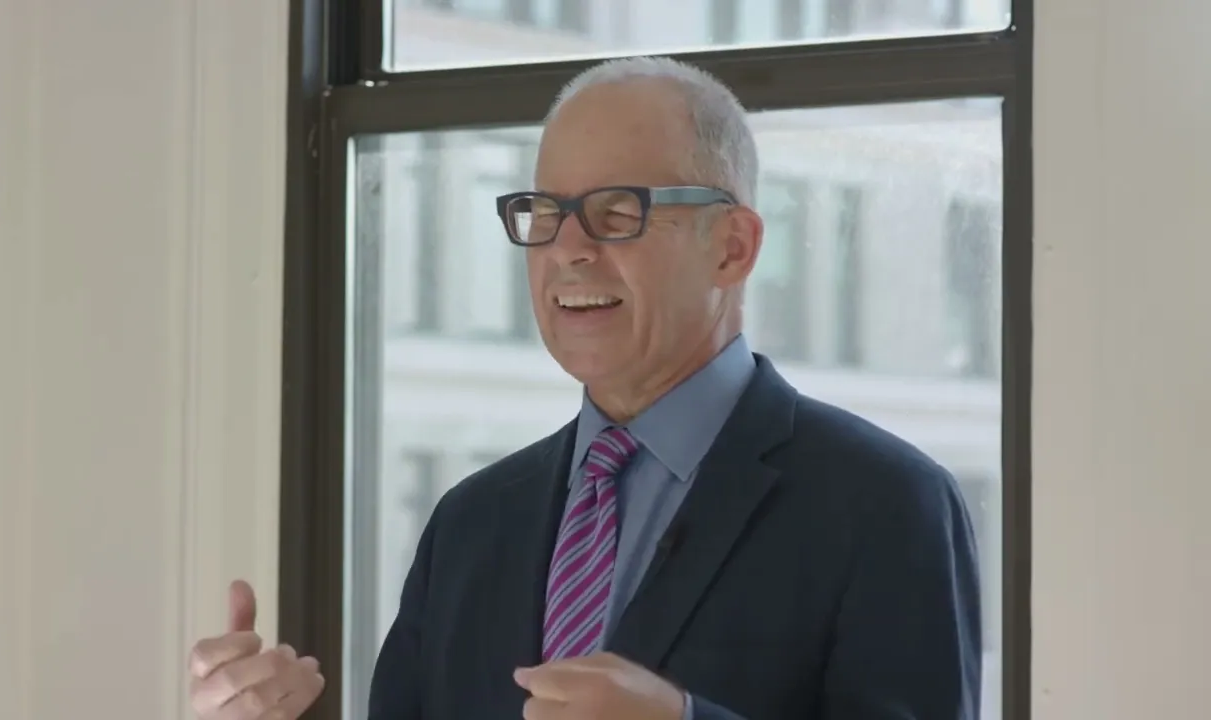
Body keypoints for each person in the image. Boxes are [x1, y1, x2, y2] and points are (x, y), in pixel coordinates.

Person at [187, 55, 982, 720]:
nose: (567, 249)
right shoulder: (470, 524)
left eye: (617, 212)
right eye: (545, 212)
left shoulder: (885, 503)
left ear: (732, 247)